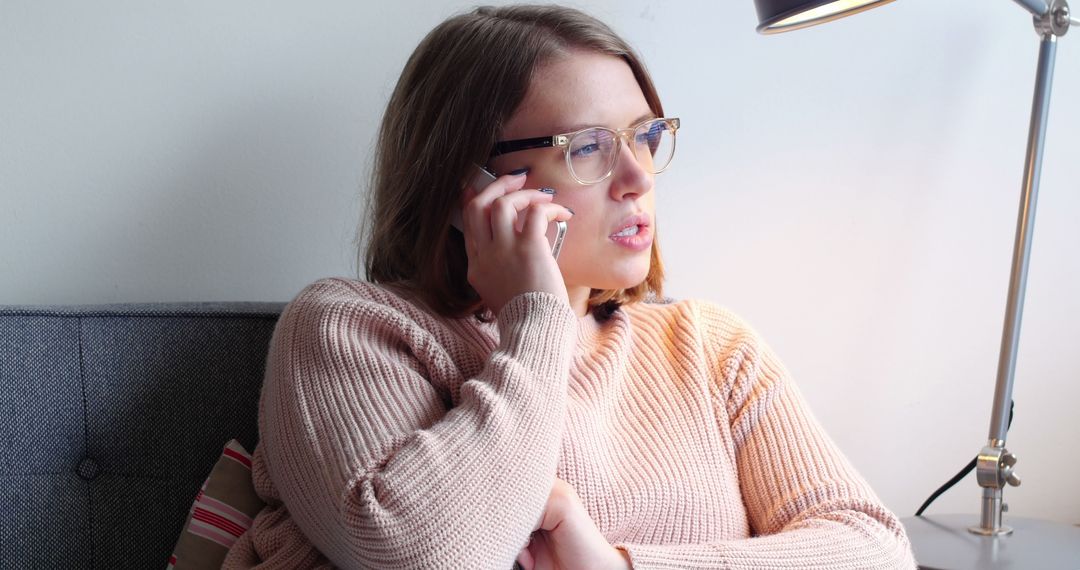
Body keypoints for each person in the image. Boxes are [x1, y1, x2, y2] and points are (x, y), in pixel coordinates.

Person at [223, 4, 917, 569]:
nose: (640, 176)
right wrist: (538, 317)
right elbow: (422, 557)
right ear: (472, 188)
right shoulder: (348, 329)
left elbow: (874, 549)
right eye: (587, 146)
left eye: (645, 135)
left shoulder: (709, 347)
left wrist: (617, 567)